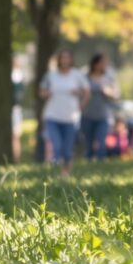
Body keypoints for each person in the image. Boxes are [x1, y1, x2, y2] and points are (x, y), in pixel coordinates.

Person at [39, 48, 90, 177]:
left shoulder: (77, 75)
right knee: (56, 146)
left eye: (67, 57)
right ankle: (55, 172)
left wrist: (80, 105)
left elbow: (87, 93)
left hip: (70, 117)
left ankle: (66, 173)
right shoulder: (51, 75)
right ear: (59, 60)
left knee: (67, 150)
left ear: (71, 59)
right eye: (63, 57)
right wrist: (47, 93)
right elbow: (41, 92)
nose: (65, 60)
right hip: (52, 115)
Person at [80, 53, 118, 161]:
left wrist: (108, 92)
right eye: (101, 62)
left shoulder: (109, 78)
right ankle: (89, 160)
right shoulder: (85, 77)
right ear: (95, 64)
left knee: (101, 140)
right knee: (88, 141)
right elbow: (80, 93)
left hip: (104, 115)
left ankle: (101, 159)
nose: (104, 65)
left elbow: (116, 95)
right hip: (87, 114)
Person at [11, 56, 25, 163]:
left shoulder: (17, 75)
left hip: (15, 109)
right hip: (15, 108)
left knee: (15, 136)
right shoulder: (16, 75)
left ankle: (16, 160)